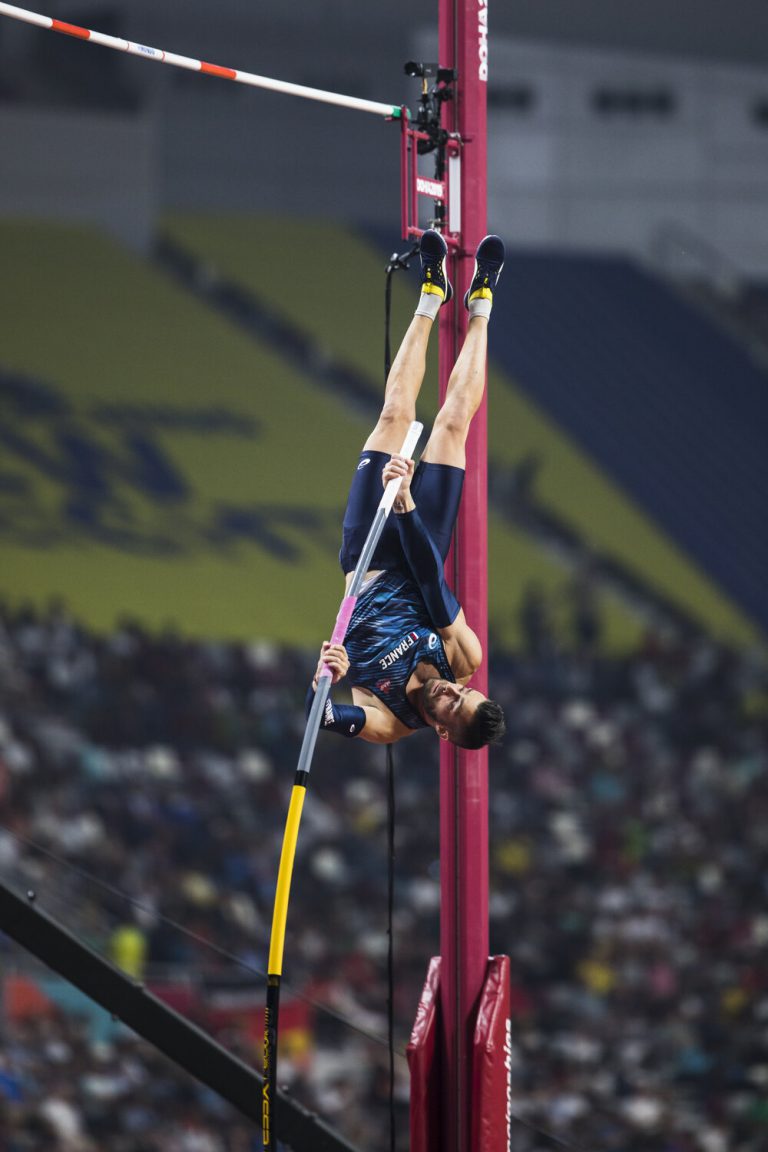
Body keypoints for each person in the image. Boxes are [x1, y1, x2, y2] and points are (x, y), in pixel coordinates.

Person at [307, 230, 507, 749]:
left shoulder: (388, 719)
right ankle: (469, 298)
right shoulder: (465, 658)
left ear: (442, 729)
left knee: (396, 416)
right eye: (466, 692)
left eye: (452, 704)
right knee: (451, 425)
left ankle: (433, 293)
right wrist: (406, 505)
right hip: (421, 547)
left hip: (368, 557)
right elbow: (428, 577)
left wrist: (325, 682)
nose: (453, 689)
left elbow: (328, 718)